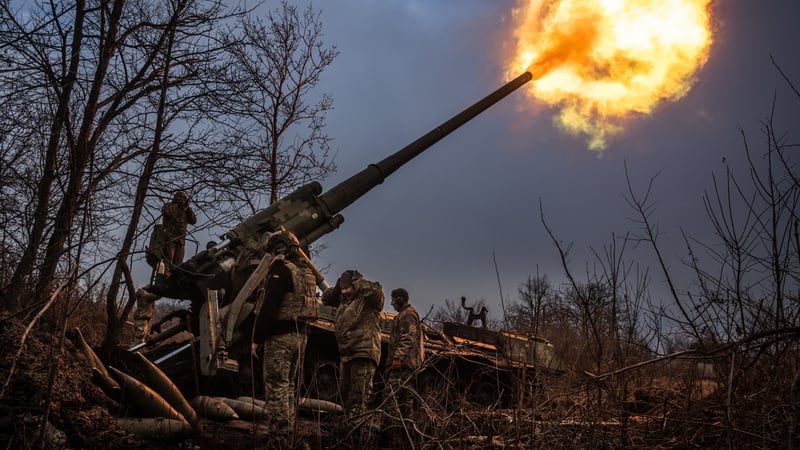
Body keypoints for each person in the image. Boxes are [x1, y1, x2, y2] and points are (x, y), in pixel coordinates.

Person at [249, 231, 318, 448]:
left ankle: (278, 441)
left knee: (276, 388)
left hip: (281, 338)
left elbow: (270, 305)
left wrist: (257, 338)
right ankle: (288, 436)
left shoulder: (281, 270)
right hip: (301, 336)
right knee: (288, 388)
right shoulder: (307, 274)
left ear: (279, 249)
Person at [322, 270, 384, 437]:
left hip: (363, 352)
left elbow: (377, 292)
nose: (344, 291)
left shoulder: (368, 299)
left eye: (347, 287)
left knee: (359, 395)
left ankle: (356, 435)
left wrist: (357, 280)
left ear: (355, 285)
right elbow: (325, 298)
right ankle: (347, 430)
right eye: (342, 288)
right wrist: (338, 286)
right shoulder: (343, 300)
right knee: (344, 395)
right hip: (347, 353)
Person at [383, 288, 424, 445]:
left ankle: (392, 436)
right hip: (406, 366)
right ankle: (407, 438)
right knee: (406, 402)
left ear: (400, 299)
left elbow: (407, 338)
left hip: (403, 366)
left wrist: (397, 358)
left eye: (393, 300)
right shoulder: (406, 314)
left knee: (391, 398)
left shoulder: (408, 315)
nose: (391, 303)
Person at [160, 190, 196, 271]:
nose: (182, 200)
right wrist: (176, 205)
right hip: (170, 239)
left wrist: (187, 208)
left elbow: (193, 220)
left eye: (184, 199)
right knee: (168, 263)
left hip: (181, 241)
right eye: (181, 198)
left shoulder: (185, 210)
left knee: (178, 265)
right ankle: (165, 278)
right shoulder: (169, 206)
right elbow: (167, 213)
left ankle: (174, 280)